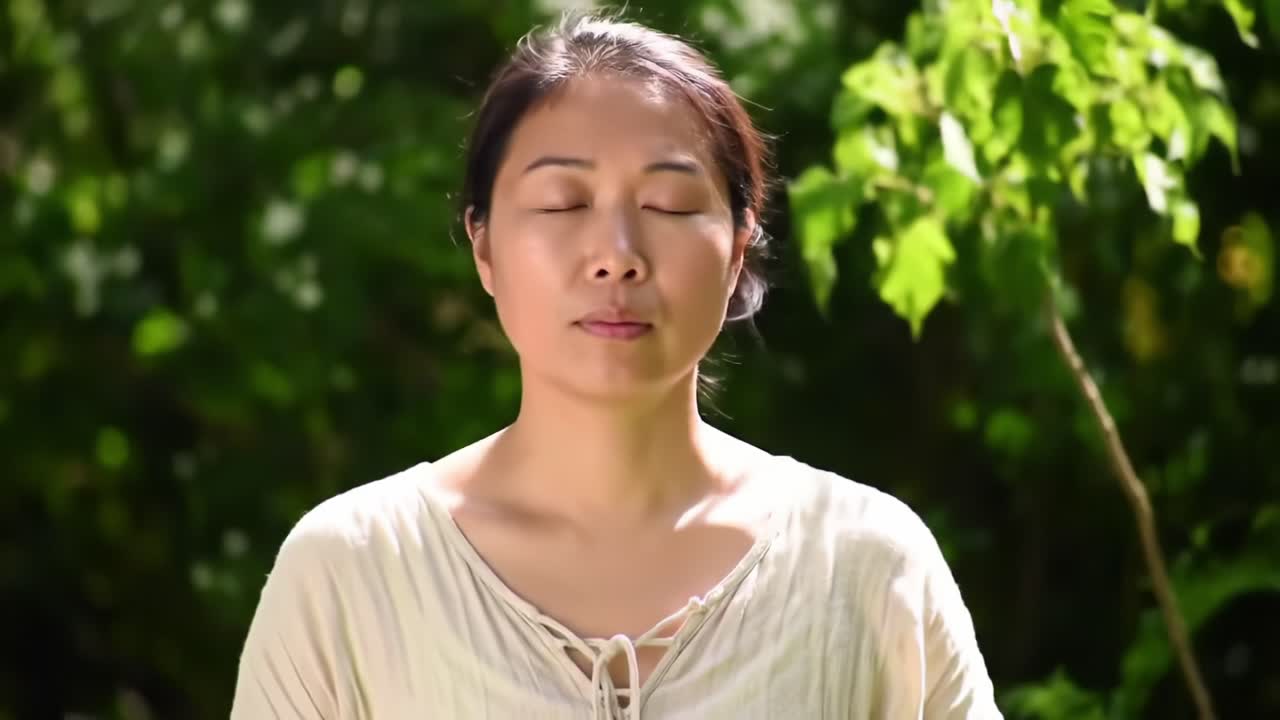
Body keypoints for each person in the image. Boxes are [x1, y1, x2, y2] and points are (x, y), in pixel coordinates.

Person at [230, 11, 1001, 719]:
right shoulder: (354, 573)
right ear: (485, 244)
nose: (617, 258)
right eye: (563, 204)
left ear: (737, 249)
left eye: (667, 207)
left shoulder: (864, 565)